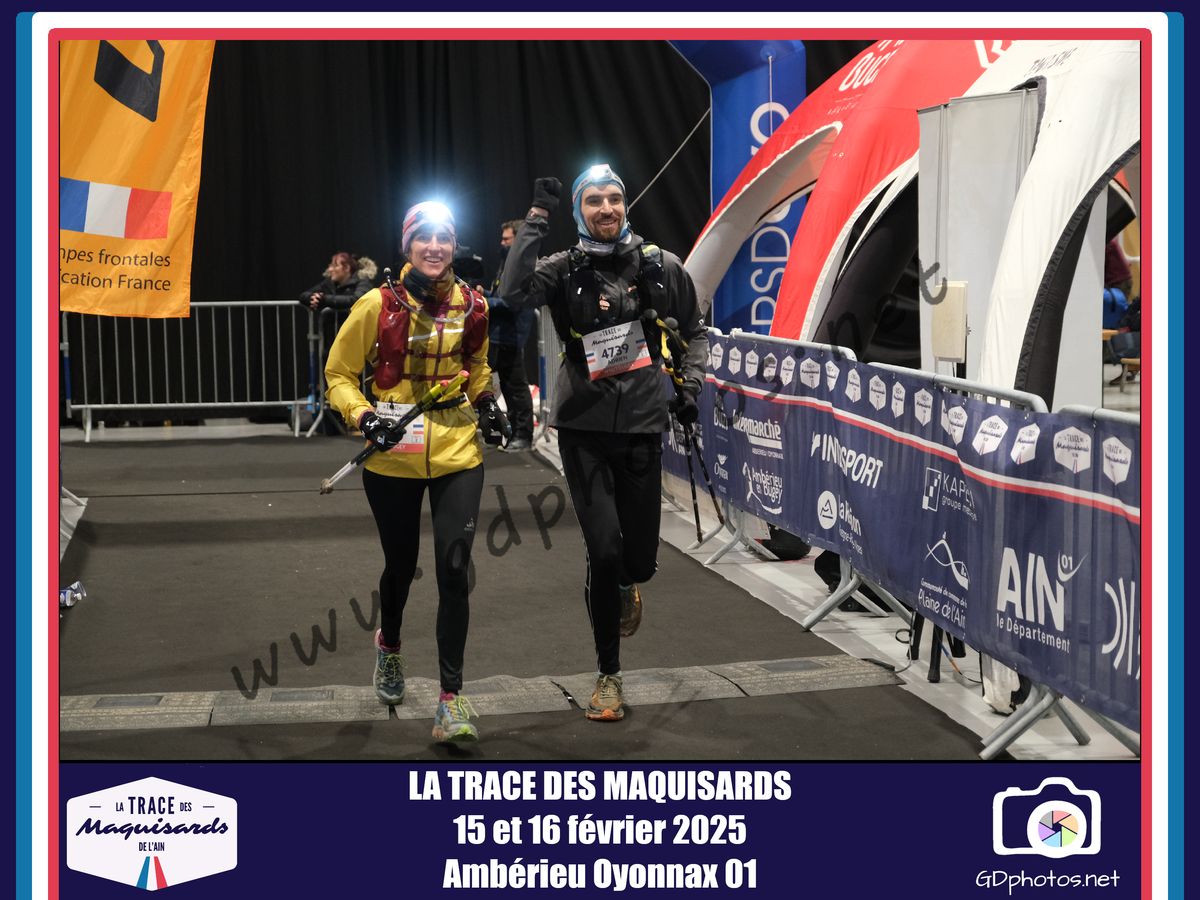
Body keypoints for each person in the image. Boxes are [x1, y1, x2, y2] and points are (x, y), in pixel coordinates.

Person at [498, 164, 708, 722]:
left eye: (614, 198)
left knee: (637, 561)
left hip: (642, 426)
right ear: (579, 211)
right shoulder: (563, 267)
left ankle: (626, 584)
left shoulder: (661, 266)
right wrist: (535, 219)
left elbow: (696, 330)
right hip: (583, 429)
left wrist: (690, 385)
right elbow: (512, 293)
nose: (607, 208)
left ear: (625, 204)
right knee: (604, 549)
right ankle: (608, 676)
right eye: (594, 201)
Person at [324, 201, 511, 743]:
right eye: (423, 237)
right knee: (401, 567)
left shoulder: (473, 304)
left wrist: (488, 403)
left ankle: (451, 700)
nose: (434, 246)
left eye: (443, 237)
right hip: (392, 455)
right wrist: (363, 416)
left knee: (454, 569)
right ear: (407, 245)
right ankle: (389, 644)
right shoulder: (375, 304)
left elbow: (477, 368)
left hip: (457, 451)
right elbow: (339, 374)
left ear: (453, 245)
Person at [487, 219, 537, 451]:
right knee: (508, 387)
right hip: (501, 335)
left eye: (506, 239)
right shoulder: (509, 264)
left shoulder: (523, 265)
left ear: (518, 240)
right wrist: (485, 294)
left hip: (510, 336)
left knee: (516, 388)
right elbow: (502, 296)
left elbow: (513, 303)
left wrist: (484, 302)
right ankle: (515, 432)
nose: (502, 243)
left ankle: (523, 436)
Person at [300, 251, 373, 312]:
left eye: (335, 266)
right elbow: (303, 295)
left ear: (347, 268)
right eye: (330, 266)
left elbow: (356, 300)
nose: (330, 269)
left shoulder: (363, 282)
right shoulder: (329, 283)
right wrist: (313, 299)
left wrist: (324, 299)